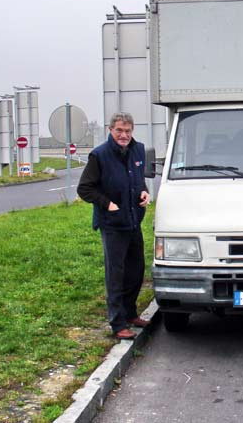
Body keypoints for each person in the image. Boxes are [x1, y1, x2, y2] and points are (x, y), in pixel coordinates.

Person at [77, 112, 151, 340]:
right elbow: (85, 189)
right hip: (112, 224)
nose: (124, 135)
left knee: (136, 270)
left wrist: (144, 191)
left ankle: (130, 314)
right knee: (116, 274)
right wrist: (107, 204)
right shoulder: (99, 155)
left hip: (132, 220)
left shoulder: (138, 150)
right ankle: (118, 323)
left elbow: (138, 178)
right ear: (111, 130)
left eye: (128, 131)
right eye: (119, 130)